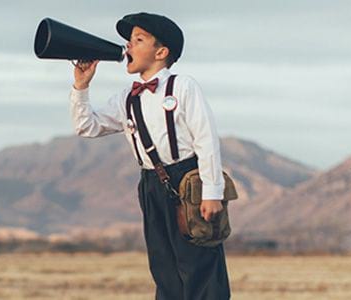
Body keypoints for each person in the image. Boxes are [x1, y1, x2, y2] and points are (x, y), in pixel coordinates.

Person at [68, 12, 231, 299]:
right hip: (151, 184)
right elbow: (87, 126)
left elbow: (206, 140)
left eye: (138, 40)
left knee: (200, 267)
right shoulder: (127, 98)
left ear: (161, 51)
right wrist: (81, 86)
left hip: (189, 181)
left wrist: (212, 192)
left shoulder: (183, 86)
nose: (128, 47)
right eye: (129, 41)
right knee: (163, 267)